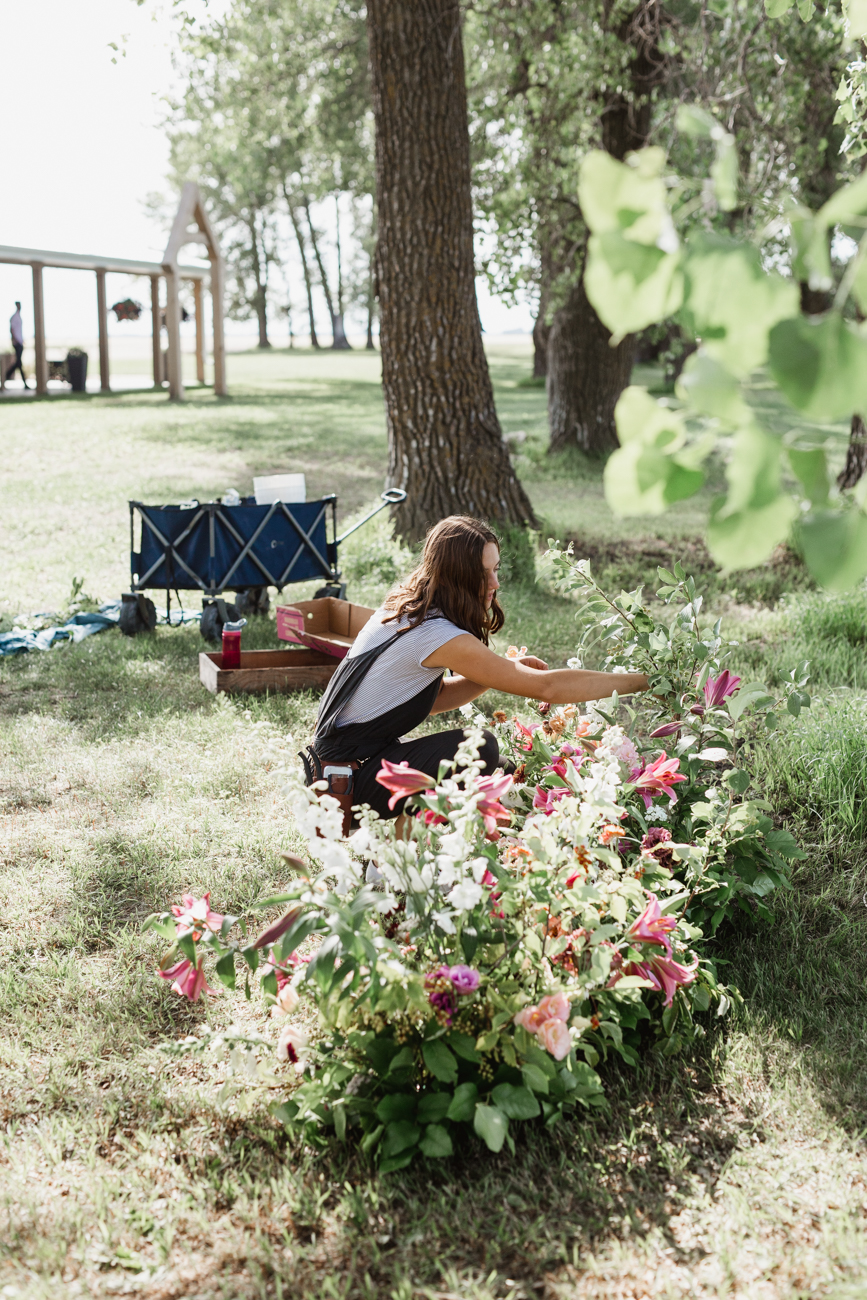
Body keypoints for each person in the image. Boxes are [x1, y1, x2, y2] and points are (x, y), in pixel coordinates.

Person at [304, 515, 649, 827]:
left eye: (496, 569)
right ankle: (397, 851)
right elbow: (549, 688)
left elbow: (433, 699)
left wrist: (490, 675)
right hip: (345, 785)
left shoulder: (407, 608)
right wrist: (644, 682)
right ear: (455, 577)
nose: (495, 583)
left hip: (341, 769)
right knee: (479, 749)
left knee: (496, 765)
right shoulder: (436, 634)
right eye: (482, 574)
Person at [6, 302, 28, 389]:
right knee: (18, 363)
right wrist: (16, 341)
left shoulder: (18, 316)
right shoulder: (14, 317)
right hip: (17, 343)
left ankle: (6, 377)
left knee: (18, 363)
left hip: (20, 342)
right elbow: (12, 330)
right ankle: (6, 376)